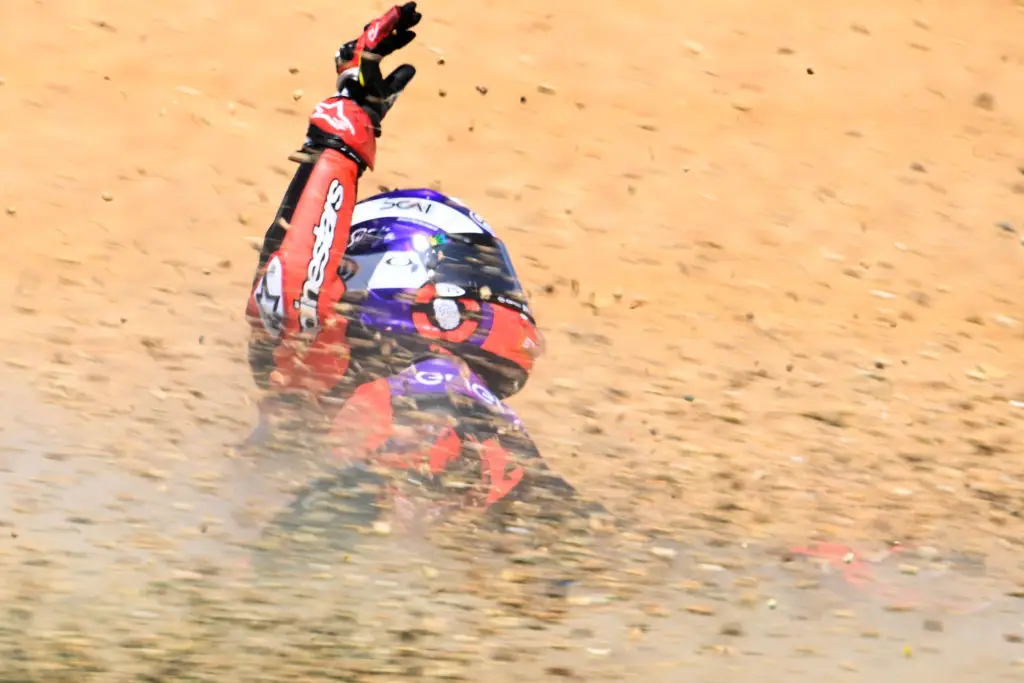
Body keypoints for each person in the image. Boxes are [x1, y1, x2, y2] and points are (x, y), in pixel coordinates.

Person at [243, 4, 584, 518]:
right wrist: (340, 138)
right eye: (477, 271)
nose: (497, 294)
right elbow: (288, 292)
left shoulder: (331, 394)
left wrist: (342, 132)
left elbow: (285, 295)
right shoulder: (413, 387)